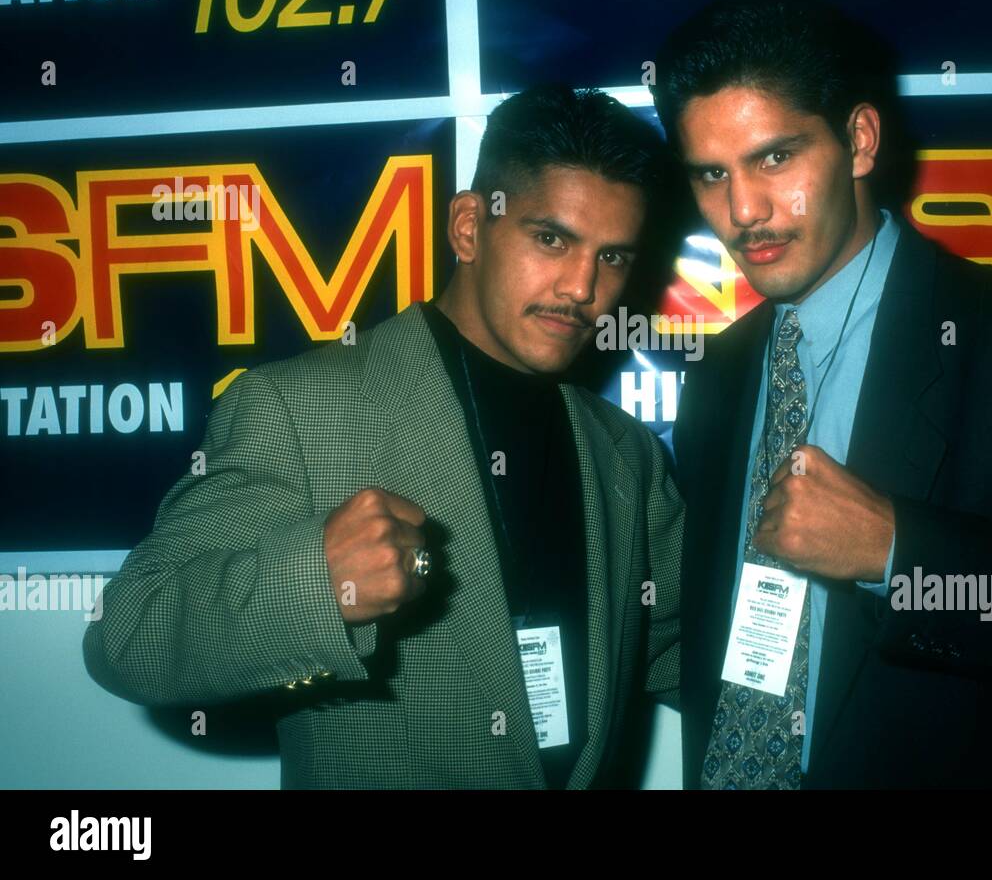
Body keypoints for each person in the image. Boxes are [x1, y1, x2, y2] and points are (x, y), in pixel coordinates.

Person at [83, 85, 683, 789]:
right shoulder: (297, 406)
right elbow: (128, 638)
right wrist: (318, 584)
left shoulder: (626, 453)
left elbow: (679, 649)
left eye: (613, 257)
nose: (583, 286)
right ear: (468, 227)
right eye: (551, 238)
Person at [651, 0, 992, 788]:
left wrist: (899, 553)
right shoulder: (719, 376)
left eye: (775, 157)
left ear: (860, 141)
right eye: (710, 175)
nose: (743, 210)